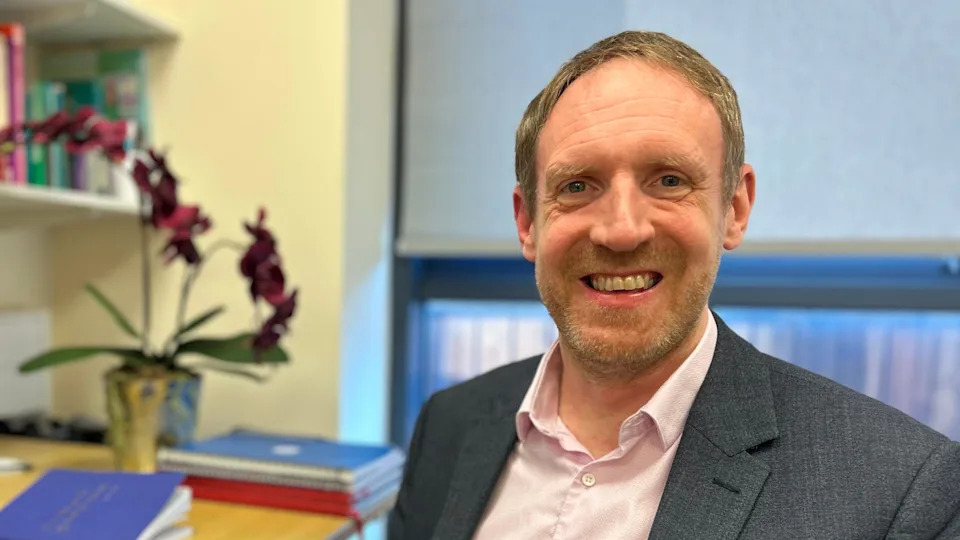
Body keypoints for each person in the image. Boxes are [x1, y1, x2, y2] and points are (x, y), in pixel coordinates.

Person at [387, 30, 960, 539]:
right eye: (578, 186)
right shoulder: (450, 425)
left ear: (734, 208)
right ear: (527, 223)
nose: (621, 230)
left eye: (668, 180)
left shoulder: (898, 495)